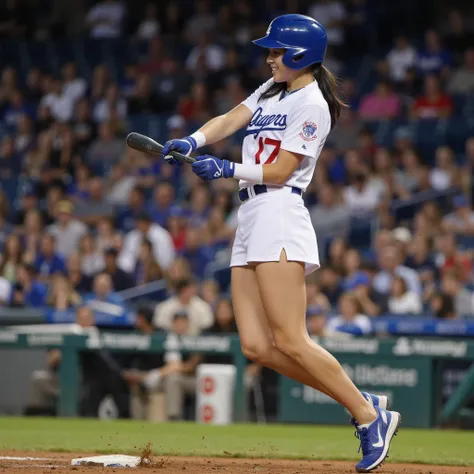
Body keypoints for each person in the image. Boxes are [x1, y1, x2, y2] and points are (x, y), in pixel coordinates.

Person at [162, 14, 400, 472]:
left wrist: (226, 169)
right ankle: (361, 401)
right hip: (250, 214)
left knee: (291, 338)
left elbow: (281, 170)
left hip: (279, 211)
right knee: (255, 345)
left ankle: (370, 416)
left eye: (276, 51)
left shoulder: (312, 103)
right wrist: (193, 141)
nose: (269, 57)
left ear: (298, 55)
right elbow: (233, 117)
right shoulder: (274, 90)